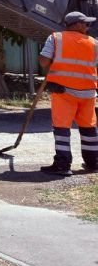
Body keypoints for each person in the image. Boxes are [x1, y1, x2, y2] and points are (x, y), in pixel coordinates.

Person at [38, 11, 98, 176]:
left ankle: (63, 165)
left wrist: (54, 60)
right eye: (85, 23)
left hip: (63, 91)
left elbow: (43, 61)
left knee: (62, 127)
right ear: (77, 24)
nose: (87, 26)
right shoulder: (94, 43)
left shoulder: (56, 38)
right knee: (88, 127)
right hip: (88, 93)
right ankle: (93, 163)